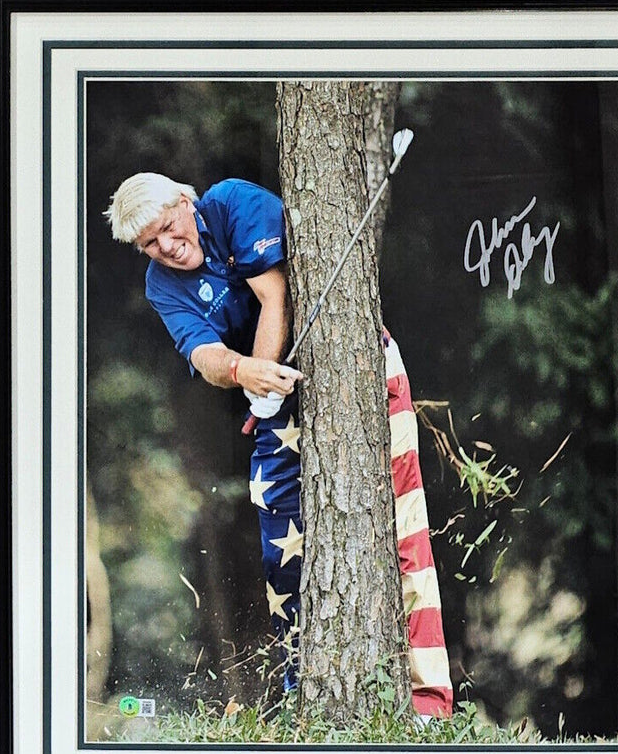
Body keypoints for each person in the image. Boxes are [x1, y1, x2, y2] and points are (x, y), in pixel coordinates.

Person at [105, 172, 453, 718]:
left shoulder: (230, 203)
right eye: (149, 243)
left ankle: (427, 699)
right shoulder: (159, 284)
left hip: (348, 369)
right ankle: (304, 693)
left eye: (169, 227)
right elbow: (202, 354)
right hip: (272, 397)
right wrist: (244, 373)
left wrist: (257, 376)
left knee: (396, 519)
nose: (166, 247)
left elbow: (276, 296)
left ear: (185, 201)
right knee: (277, 528)